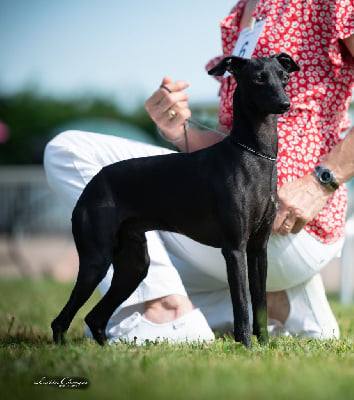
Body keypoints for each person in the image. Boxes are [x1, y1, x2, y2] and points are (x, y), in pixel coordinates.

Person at [44, 0, 354, 344]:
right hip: (228, 206)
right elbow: (230, 146)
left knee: (68, 149)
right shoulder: (241, 13)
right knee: (134, 260)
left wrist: (322, 180)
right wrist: (179, 131)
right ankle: (283, 303)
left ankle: (168, 310)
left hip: (296, 220)